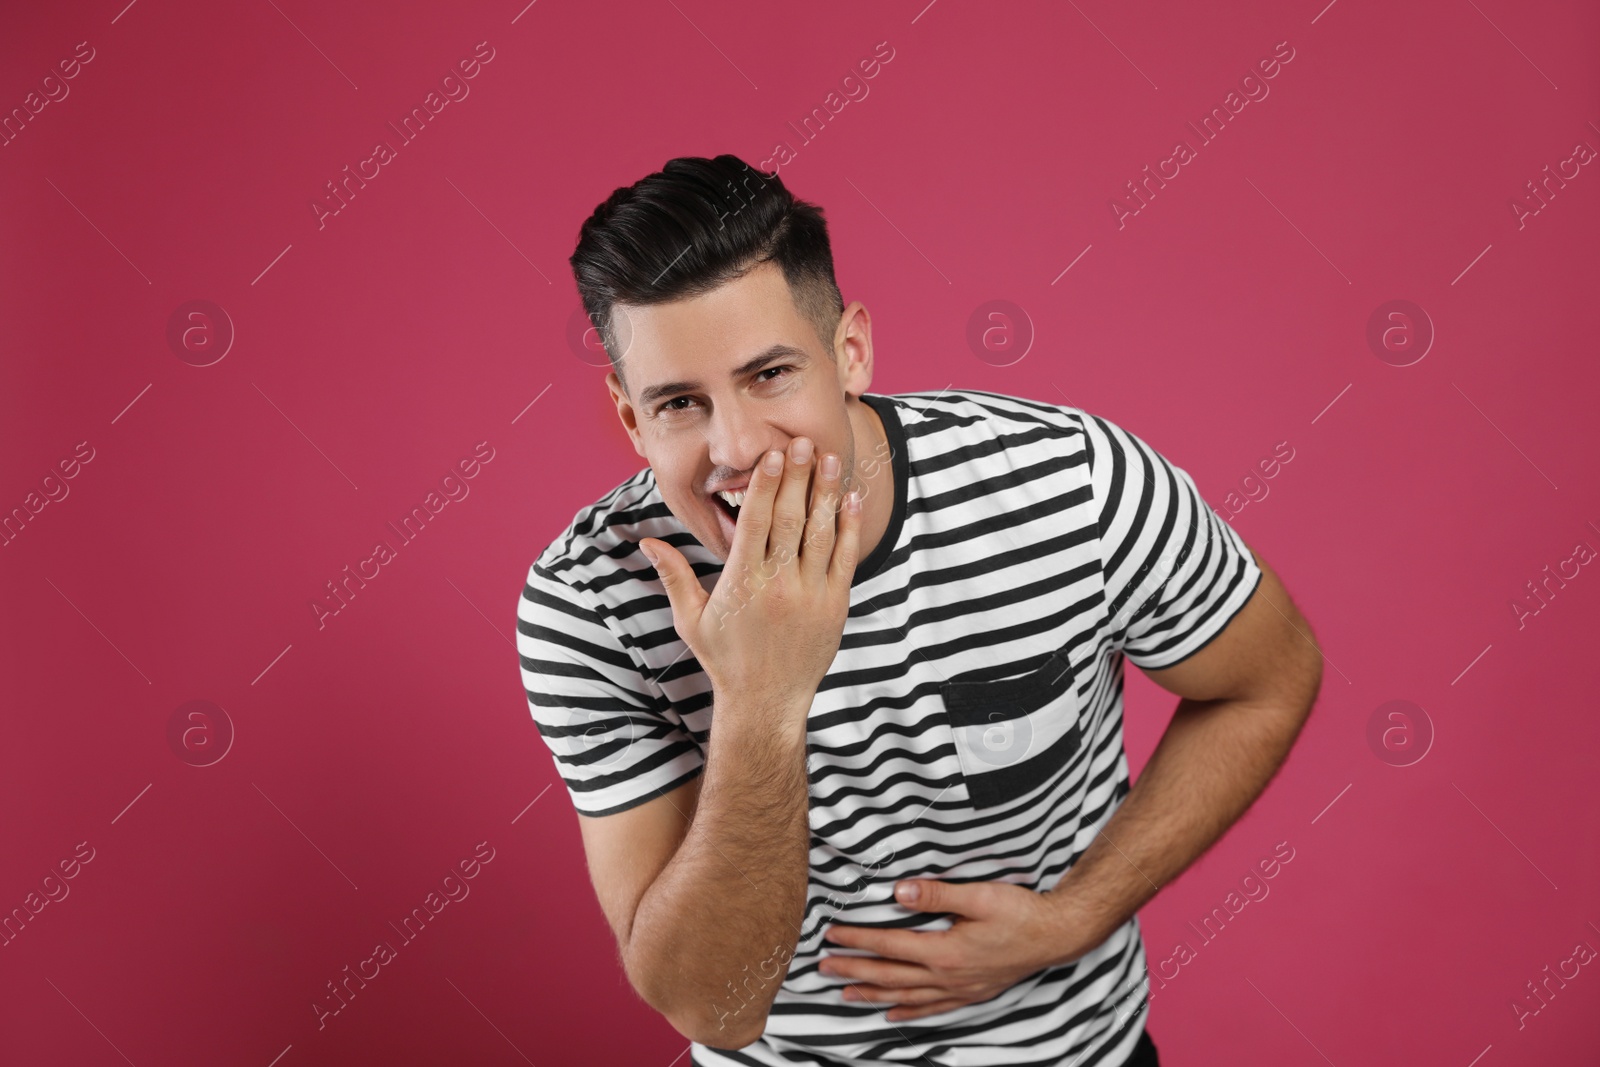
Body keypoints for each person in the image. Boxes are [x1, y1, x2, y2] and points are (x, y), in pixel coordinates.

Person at [516, 154, 1322, 1066]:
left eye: (771, 374)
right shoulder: (591, 601)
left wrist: (1078, 914)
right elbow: (714, 1005)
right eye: (679, 403)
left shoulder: (1071, 486)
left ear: (850, 351)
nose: (736, 448)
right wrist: (761, 701)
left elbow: (1269, 676)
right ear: (631, 419)